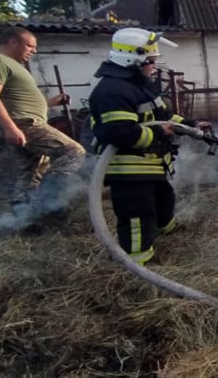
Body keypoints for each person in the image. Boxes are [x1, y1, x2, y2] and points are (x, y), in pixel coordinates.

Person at [88, 27, 210, 265]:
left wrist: (190, 125)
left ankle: (165, 228)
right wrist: (157, 132)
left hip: (150, 163)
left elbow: (162, 116)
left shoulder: (139, 84)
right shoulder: (112, 91)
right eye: (151, 60)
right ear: (133, 58)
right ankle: (137, 260)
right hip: (128, 169)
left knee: (164, 199)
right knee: (137, 214)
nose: (154, 65)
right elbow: (119, 133)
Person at [0, 27, 86, 218]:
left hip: (23, 122)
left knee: (30, 169)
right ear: (13, 42)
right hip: (24, 123)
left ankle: (24, 215)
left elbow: (20, 100)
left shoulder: (11, 64)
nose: (33, 51)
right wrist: (9, 127)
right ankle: (50, 200)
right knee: (73, 151)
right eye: (29, 45)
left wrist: (52, 102)